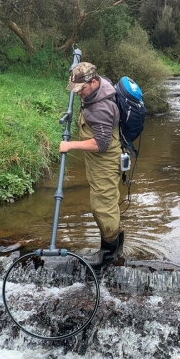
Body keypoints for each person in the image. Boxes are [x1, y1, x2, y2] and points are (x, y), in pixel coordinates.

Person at [60, 62, 124, 266]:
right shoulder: (96, 87)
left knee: (102, 206)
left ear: (94, 82)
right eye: (75, 89)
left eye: (81, 89)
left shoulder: (101, 108)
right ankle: (116, 243)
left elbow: (102, 144)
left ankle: (109, 254)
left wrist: (70, 146)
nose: (78, 93)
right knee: (107, 202)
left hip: (104, 160)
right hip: (98, 160)